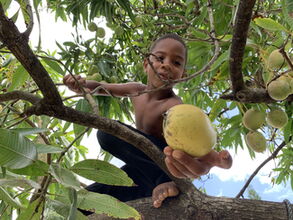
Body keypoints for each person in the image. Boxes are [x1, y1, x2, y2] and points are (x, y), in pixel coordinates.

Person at [63, 33, 233, 211]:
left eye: (176, 63)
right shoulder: (137, 90)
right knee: (82, 204)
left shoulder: (174, 106)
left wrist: (219, 160)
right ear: (146, 64)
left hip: (164, 167)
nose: (166, 64)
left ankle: (166, 182)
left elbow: (194, 144)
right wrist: (81, 85)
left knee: (106, 133)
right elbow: (102, 88)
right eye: (160, 58)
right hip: (140, 174)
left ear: (183, 74)